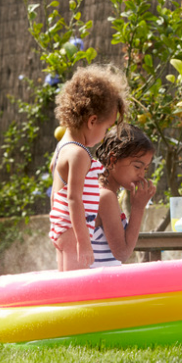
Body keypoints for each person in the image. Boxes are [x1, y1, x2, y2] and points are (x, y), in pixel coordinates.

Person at [49, 65, 129, 271]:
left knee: (66, 285)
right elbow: (74, 198)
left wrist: (57, 225)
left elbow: (56, 193)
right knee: (78, 289)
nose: (105, 135)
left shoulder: (61, 148)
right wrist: (83, 240)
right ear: (92, 121)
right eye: (106, 128)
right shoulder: (79, 153)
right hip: (73, 232)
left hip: (62, 228)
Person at [91, 124, 156, 267]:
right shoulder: (106, 196)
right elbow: (122, 253)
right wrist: (138, 208)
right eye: (137, 167)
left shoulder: (103, 192)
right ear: (113, 160)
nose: (142, 174)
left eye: (145, 169)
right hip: (100, 285)